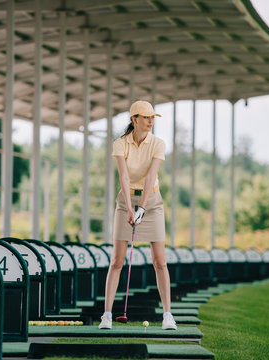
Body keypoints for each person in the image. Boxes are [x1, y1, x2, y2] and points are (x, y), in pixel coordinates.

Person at [98, 100, 177, 330]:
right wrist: (131, 208)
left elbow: (151, 176)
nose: (151, 121)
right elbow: (123, 177)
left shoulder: (158, 144)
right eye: (146, 117)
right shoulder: (120, 144)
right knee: (117, 261)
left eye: (153, 117)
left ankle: (167, 316)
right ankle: (107, 315)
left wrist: (142, 207)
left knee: (160, 261)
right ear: (134, 119)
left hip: (152, 202)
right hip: (125, 201)